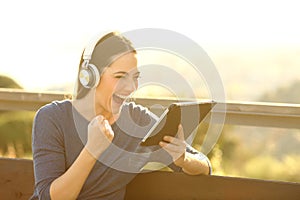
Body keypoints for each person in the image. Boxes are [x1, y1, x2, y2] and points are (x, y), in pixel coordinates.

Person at [30, 31, 212, 200]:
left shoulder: (138, 121)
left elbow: (205, 166)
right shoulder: (52, 118)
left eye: (135, 77)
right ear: (90, 77)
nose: (131, 88)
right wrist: (92, 150)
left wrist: (184, 159)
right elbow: (48, 197)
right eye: (120, 77)